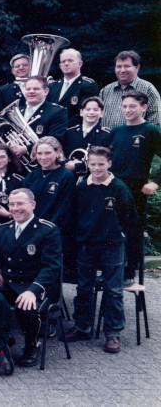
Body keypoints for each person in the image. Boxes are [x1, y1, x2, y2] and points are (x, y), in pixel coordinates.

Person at [63, 146, 137, 354]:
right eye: (92, 164)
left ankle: (112, 333)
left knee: (113, 291)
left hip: (112, 247)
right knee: (84, 288)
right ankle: (82, 327)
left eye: (100, 164)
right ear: (87, 164)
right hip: (86, 246)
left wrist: (118, 234)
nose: (96, 168)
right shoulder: (81, 188)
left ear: (109, 164)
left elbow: (131, 219)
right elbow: (74, 216)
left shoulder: (119, 188)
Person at [0, 188, 62, 367]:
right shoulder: (3, 229)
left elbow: (51, 267)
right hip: (8, 283)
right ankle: (0, 339)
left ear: (32, 205)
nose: (15, 208)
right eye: (12, 204)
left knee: (26, 306)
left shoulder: (48, 230)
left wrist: (33, 291)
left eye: (20, 204)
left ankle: (32, 345)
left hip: (35, 284)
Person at [108, 90, 161, 282]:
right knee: (110, 227)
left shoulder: (151, 131)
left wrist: (155, 181)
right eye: (124, 106)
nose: (127, 110)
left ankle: (128, 273)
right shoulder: (116, 132)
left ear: (144, 107)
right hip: (113, 186)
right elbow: (103, 158)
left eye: (132, 106)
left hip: (137, 188)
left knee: (133, 230)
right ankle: (109, 270)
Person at [24, 136, 76, 230]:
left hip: (51, 231)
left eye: (48, 153)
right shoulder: (31, 176)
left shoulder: (66, 176)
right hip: (29, 229)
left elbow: (63, 210)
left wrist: (44, 230)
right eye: (39, 153)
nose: (43, 157)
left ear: (58, 152)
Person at [100, 50, 161, 129]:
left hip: (136, 140)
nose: (122, 70)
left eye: (127, 66)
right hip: (107, 140)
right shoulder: (106, 90)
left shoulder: (148, 89)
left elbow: (156, 123)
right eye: (119, 66)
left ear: (137, 68)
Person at [63, 97, 112, 176]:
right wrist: (67, 163)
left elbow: (106, 161)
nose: (91, 112)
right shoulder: (69, 132)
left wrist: (78, 166)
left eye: (95, 110)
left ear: (102, 113)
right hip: (68, 176)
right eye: (88, 109)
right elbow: (60, 155)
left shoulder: (106, 136)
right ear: (81, 112)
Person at [48, 49, 98, 126]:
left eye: (70, 61)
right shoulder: (52, 86)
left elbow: (83, 114)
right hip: (50, 132)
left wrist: (59, 128)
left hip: (72, 133)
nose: (66, 64)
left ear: (80, 64)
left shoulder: (88, 85)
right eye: (63, 61)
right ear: (60, 65)